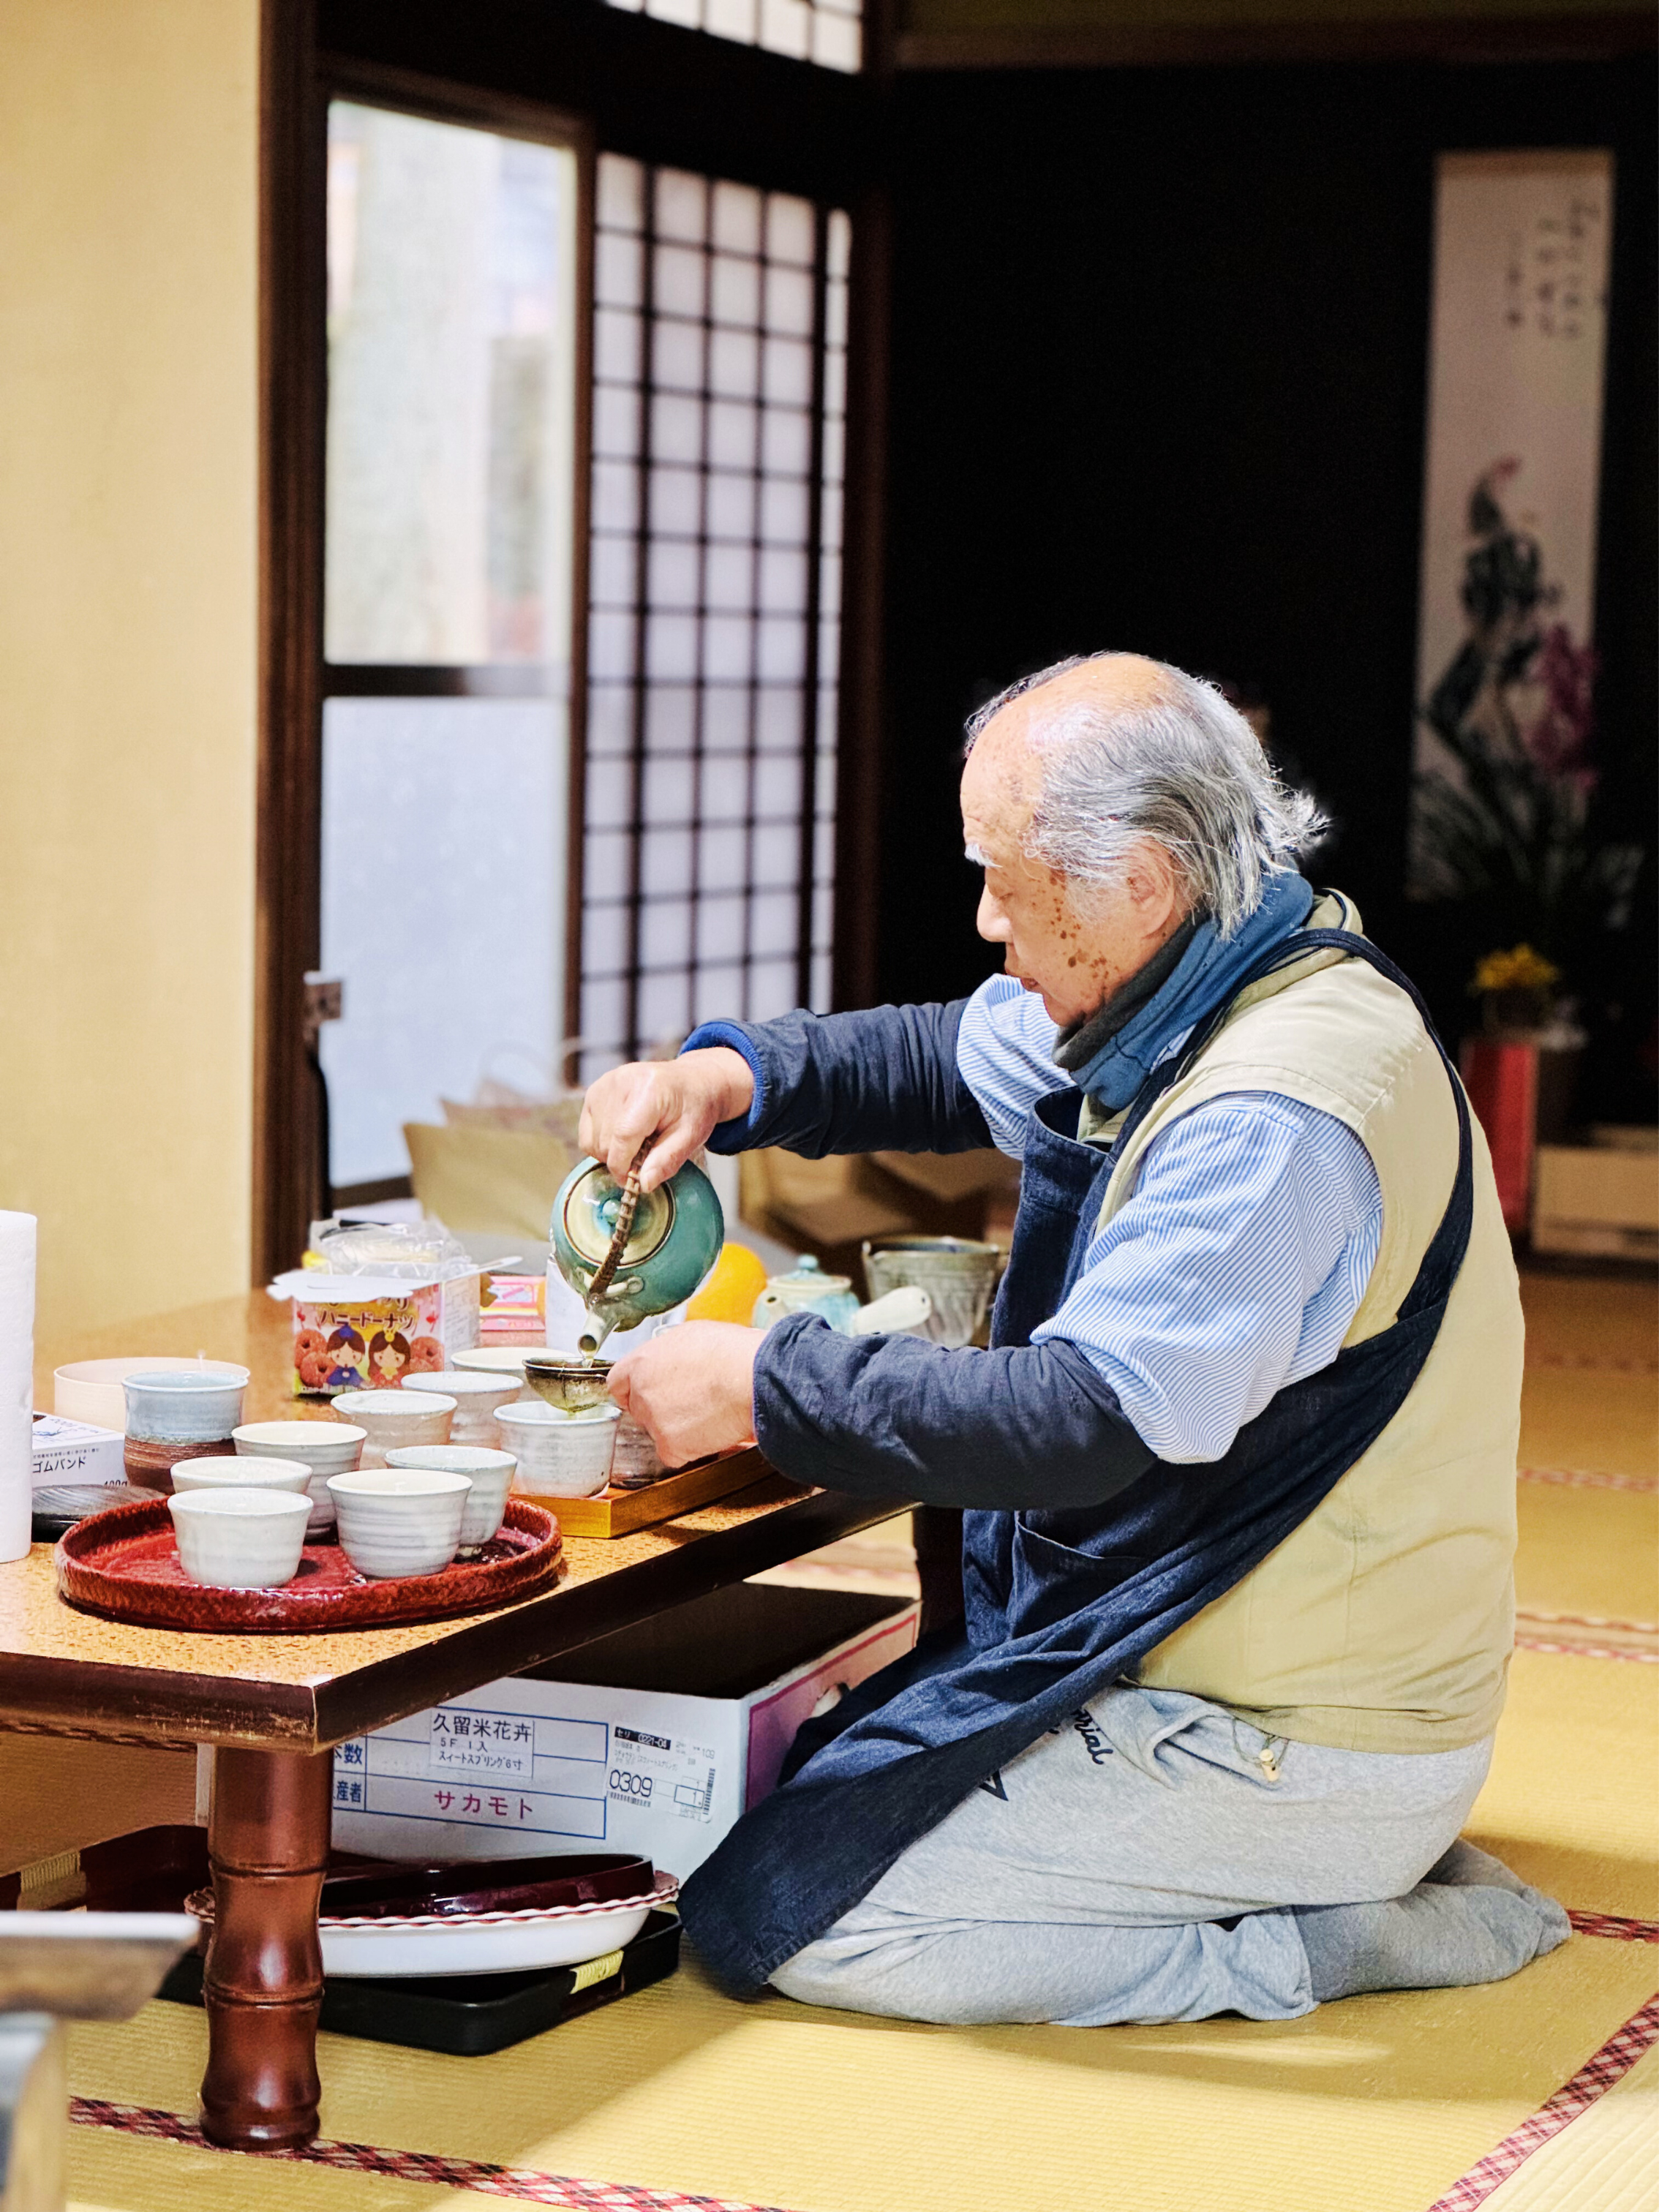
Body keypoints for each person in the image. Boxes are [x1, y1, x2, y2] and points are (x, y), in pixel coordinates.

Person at [582, 652, 1568, 2028]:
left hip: (1292, 1739)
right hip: (1190, 1663)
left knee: (809, 1924)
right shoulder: (1213, 974)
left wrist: (763, 1383)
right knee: (808, 1797)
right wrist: (721, 1080)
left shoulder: (1273, 1111)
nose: (986, 921)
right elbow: (940, 1053)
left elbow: (1078, 1424)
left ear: (1144, 884)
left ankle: (1326, 1941)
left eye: (1003, 878)